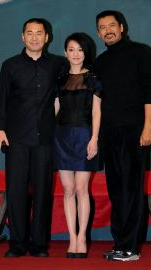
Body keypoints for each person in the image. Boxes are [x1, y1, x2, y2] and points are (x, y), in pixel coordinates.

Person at [0, 18, 65, 258]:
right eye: (30, 33)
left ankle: (39, 245)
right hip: (16, 138)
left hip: (45, 137)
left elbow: (64, 95)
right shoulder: (10, 65)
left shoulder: (58, 65)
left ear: (47, 37)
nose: (34, 37)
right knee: (16, 191)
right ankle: (17, 244)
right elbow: (2, 99)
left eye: (39, 33)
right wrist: (0, 129)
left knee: (43, 192)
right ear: (23, 37)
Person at [95, 10, 151, 262]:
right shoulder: (101, 61)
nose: (108, 30)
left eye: (112, 25)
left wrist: (148, 127)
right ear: (99, 32)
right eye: (102, 27)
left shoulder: (142, 53)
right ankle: (119, 243)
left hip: (134, 130)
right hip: (109, 133)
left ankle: (130, 247)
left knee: (131, 189)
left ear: (122, 27)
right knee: (115, 190)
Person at [54, 33, 101, 259]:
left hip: (84, 136)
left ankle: (82, 237)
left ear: (86, 52)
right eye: (71, 49)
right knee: (68, 190)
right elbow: (54, 109)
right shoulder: (60, 79)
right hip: (61, 136)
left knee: (82, 189)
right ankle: (71, 238)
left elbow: (96, 111)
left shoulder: (93, 78)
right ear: (65, 52)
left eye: (80, 50)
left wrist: (94, 138)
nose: (75, 54)